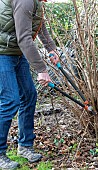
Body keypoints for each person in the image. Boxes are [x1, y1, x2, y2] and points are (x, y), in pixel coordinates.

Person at [0, 0, 59, 169]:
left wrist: (51, 48)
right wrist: (41, 69)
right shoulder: (25, 0)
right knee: (10, 100)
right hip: (2, 53)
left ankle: (25, 146)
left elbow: (38, 23)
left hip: (16, 52)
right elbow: (24, 38)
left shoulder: (36, 2)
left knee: (29, 95)